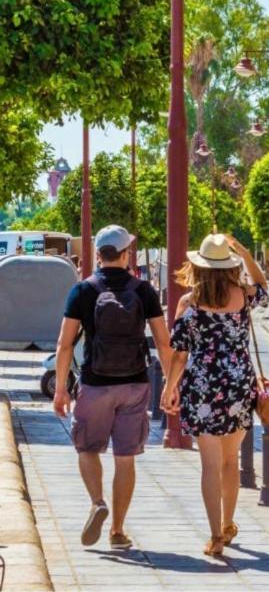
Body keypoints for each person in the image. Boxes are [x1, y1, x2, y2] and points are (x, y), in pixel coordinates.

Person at [53, 225, 172, 551]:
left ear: (98, 254)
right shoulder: (143, 290)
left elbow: (64, 345)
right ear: (125, 254)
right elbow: (164, 343)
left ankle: (97, 502)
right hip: (135, 384)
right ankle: (118, 530)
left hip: (95, 384)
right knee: (125, 458)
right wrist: (172, 385)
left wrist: (61, 389)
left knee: (88, 449)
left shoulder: (83, 290)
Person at [161, 233, 268, 558]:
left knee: (209, 465)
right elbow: (264, 286)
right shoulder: (244, 296)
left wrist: (169, 388)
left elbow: (179, 354)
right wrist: (246, 252)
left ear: (199, 267)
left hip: (204, 385)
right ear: (229, 266)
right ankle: (228, 523)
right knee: (229, 460)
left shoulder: (188, 304)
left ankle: (214, 536)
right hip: (238, 382)